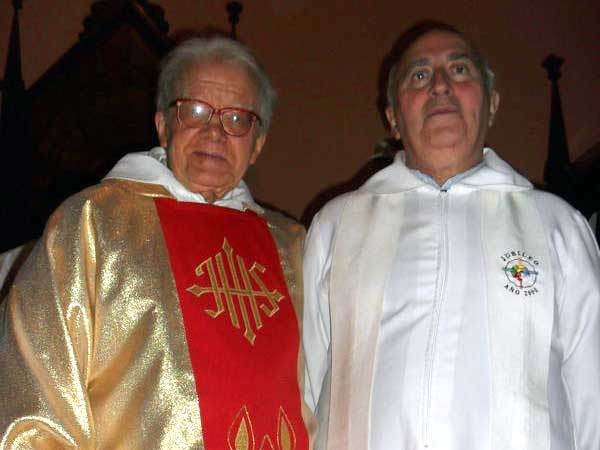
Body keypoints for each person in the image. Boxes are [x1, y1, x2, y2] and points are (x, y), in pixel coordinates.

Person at [0, 37, 315, 449]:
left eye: (237, 119)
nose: (214, 132)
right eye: (195, 111)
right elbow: (35, 398)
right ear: (163, 125)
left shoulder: (293, 247)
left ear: (257, 144)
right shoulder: (93, 223)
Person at [302, 22, 600, 450]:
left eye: (459, 70)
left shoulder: (558, 227)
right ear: (393, 116)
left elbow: (592, 398)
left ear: (492, 104)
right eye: (419, 75)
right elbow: (303, 395)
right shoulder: (336, 227)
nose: (440, 85)